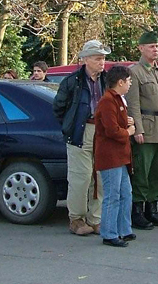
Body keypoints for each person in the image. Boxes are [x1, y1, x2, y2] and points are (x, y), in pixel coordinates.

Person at [53, 40, 110, 235]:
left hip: (102, 132)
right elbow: (58, 108)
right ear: (85, 60)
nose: (102, 62)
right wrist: (70, 126)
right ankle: (76, 219)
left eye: (103, 58)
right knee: (81, 177)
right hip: (80, 132)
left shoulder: (107, 80)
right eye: (98, 58)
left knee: (100, 177)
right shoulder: (72, 81)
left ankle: (96, 219)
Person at [125, 31, 158, 230]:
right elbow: (133, 104)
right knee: (142, 171)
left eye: (157, 46)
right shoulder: (134, 72)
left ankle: (152, 209)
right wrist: (137, 129)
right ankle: (137, 211)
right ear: (140, 48)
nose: (155, 49)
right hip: (146, 130)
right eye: (151, 46)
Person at [94, 65, 136, 248]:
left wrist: (128, 121)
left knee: (126, 193)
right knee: (112, 194)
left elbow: (118, 120)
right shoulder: (107, 101)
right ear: (120, 82)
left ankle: (124, 229)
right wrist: (129, 131)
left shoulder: (119, 100)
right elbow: (111, 130)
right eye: (128, 81)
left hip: (121, 155)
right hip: (110, 156)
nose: (130, 84)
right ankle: (109, 233)